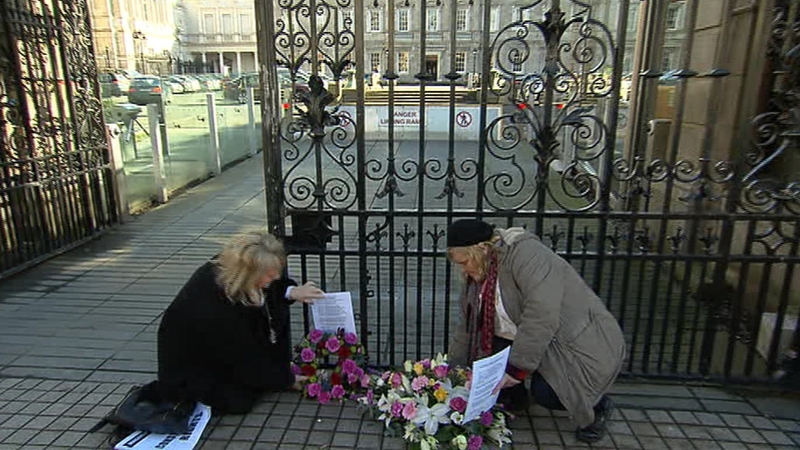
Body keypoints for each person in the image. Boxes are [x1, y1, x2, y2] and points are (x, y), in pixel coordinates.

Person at [446, 219, 626, 443]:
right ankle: (517, 400)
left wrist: (516, 370)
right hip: (521, 336)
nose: (462, 270)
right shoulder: (480, 271)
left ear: (480, 250)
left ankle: (597, 406)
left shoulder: (528, 255)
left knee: (549, 394)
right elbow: (467, 324)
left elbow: (540, 316)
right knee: (494, 388)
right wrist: (453, 370)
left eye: (464, 263)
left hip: (572, 339)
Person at [143, 231, 325, 414]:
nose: (276, 277)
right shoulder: (215, 304)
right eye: (270, 275)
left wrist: (291, 291)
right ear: (248, 275)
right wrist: (286, 379)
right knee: (240, 398)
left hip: (224, 350)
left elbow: (272, 288)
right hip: (195, 368)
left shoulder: (235, 273)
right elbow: (241, 353)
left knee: (260, 377)